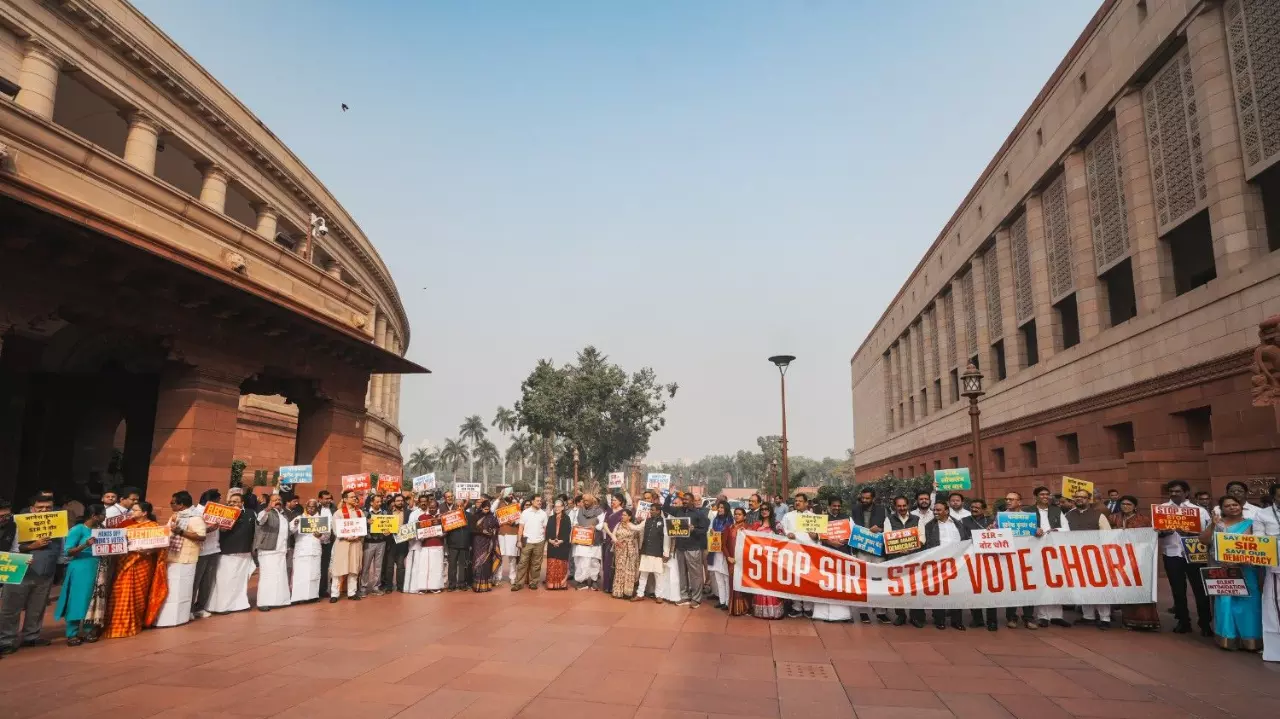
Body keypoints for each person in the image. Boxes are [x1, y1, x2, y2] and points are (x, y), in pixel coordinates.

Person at [0, 494, 63, 654]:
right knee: (11, 608)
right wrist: (31, 547)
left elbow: (62, 548)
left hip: (45, 572)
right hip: (18, 569)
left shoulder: (58, 524)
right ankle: (6, 640)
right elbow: (11, 548)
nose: (44, 510)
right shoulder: (16, 522)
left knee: (38, 606)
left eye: (48, 507)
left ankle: (31, 636)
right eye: (40, 507)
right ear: (31, 508)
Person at [1199, 496, 1262, 651]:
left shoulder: (1252, 524)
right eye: (1227, 506)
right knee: (1225, 602)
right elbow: (1203, 541)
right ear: (1222, 509)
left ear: (1240, 506)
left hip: (1246, 568)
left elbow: (1256, 545)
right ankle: (1228, 638)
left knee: (1249, 603)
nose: (1232, 507)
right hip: (1222, 569)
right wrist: (1212, 525)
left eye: (1235, 504)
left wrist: (1239, 559)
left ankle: (1250, 640)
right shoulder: (1217, 524)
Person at [104, 502, 168, 639]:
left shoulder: (153, 527)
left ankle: (135, 623)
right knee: (120, 592)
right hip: (124, 563)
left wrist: (148, 551)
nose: (131, 512)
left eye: (135, 510)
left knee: (138, 594)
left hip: (143, 564)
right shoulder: (125, 524)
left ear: (144, 513)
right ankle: (116, 625)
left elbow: (160, 547)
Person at [1159, 480, 1212, 636]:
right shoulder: (1162, 509)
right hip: (1172, 554)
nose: (1174, 494)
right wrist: (1164, 532)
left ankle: (1205, 623)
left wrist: (1192, 533)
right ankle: (1183, 621)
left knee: (1200, 590)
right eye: (1171, 491)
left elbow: (1207, 532)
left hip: (1194, 553)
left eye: (1177, 491)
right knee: (1178, 590)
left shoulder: (1199, 511)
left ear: (1186, 493)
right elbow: (1156, 532)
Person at [154, 491, 207, 628]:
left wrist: (181, 532)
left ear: (181, 505)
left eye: (172, 503)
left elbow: (201, 536)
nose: (170, 505)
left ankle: (179, 618)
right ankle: (167, 617)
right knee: (170, 589)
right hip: (172, 557)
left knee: (182, 590)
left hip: (186, 559)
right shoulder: (175, 516)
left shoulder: (195, 518)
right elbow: (167, 531)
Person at [55, 503, 105, 645]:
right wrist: (85, 545)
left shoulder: (101, 529)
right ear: (95, 516)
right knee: (77, 599)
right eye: (103, 515)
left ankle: (89, 630)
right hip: (80, 567)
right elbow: (68, 551)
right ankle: (72, 633)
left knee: (92, 600)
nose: (104, 517)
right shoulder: (78, 530)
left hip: (97, 567)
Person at [1109, 495, 1160, 631]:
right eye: (1123, 504)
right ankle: (1128, 620)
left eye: (1129, 504)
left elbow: (1150, 537)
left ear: (1135, 506)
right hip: (1121, 558)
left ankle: (1146, 621)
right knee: (1127, 587)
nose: (1125, 506)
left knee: (1141, 587)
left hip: (1140, 558)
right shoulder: (1114, 518)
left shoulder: (1144, 520)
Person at [1064, 488, 1113, 628]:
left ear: (1089, 499)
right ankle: (1088, 616)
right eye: (1077, 497)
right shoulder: (1068, 515)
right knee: (1083, 586)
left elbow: (1107, 535)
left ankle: (1105, 618)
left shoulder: (1099, 515)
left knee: (1101, 587)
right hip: (1076, 557)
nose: (1080, 499)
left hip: (1096, 556)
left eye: (1083, 497)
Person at [923, 501, 969, 630]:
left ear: (947, 511)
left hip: (957, 563)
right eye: (935, 510)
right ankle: (939, 620)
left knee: (956, 592)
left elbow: (965, 540)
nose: (935, 512)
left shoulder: (958, 524)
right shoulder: (929, 526)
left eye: (939, 510)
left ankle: (957, 621)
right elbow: (926, 546)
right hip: (938, 563)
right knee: (939, 593)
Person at [1028, 486, 1070, 628]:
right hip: (1036, 550)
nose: (1045, 496)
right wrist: (1033, 530)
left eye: (1047, 494)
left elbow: (1066, 528)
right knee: (1041, 581)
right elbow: (1022, 528)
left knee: (1057, 581)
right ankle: (1043, 616)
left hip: (1054, 550)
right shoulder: (1028, 511)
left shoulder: (1057, 510)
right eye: (1042, 494)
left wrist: (1056, 530)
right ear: (1036, 496)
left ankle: (1057, 615)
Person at [207, 493, 254, 614]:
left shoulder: (250, 513)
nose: (232, 504)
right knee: (224, 580)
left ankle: (239, 604)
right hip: (227, 552)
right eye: (230, 502)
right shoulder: (223, 513)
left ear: (242, 503)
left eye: (235, 501)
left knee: (240, 581)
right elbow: (219, 530)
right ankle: (221, 606)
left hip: (244, 552)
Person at [848, 488, 889, 624]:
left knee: (880, 581)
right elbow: (850, 527)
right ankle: (864, 612)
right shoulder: (855, 510)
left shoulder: (882, 510)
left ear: (873, 498)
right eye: (863, 498)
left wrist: (880, 529)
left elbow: (889, 528)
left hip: (878, 551)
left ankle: (881, 612)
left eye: (867, 498)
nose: (864, 500)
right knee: (863, 582)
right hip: (861, 551)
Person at [813, 496, 854, 622]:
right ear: (829, 506)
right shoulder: (822, 519)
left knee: (842, 584)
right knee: (825, 583)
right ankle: (823, 614)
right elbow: (819, 536)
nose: (837, 508)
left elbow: (853, 534)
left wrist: (845, 540)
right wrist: (830, 542)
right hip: (827, 555)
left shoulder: (847, 519)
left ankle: (844, 615)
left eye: (839, 506)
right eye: (834, 506)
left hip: (842, 554)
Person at [664, 493, 709, 607]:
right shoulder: (678, 511)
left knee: (695, 575)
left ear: (693, 501)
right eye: (683, 499)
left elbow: (704, 530)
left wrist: (694, 530)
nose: (684, 501)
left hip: (693, 548)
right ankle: (684, 596)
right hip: (680, 548)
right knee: (682, 574)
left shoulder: (699, 514)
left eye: (687, 500)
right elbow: (665, 508)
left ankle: (696, 598)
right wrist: (668, 495)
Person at [885, 496, 923, 627]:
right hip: (896, 559)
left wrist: (911, 547)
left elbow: (922, 538)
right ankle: (900, 615)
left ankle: (915, 617)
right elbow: (887, 538)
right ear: (895, 507)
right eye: (899, 506)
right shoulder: (889, 519)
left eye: (904, 506)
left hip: (913, 558)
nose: (902, 508)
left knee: (914, 588)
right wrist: (900, 549)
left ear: (908, 505)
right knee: (898, 588)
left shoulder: (917, 519)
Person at [961, 499, 999, 630]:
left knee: (991, 591)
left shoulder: (992, 521)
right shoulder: (964, 521)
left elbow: (1000, 537)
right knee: (973, 590)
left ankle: (992, 621)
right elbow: (963, 538)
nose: (974, 509)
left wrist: (993, 530)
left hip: (990, 560)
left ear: (983, 509)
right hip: (972, 560)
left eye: (977, 507)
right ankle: (977, 619)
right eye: (972, 507)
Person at [254, 493, 290, 611]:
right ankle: (263, 602)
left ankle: (279, 600)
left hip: (280, 550)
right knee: (267, 577)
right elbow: (260, 520)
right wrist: (267, 510)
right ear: (269, 502)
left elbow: (286, 532)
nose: (278, 501)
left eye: (279, 499)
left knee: (279, 576)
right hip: (268, 550)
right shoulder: (265, 512)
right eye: (274, 500)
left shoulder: (283, 515)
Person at [749, 503, 786, 619]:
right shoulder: (756, 525)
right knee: (760, 585)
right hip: (760, 561)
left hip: (773, 560)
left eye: (766, 509)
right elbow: (749, 540)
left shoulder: (777, 525)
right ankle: (760, 611)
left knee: (772, 585)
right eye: (762, 509)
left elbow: (783, 542)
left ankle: (773, 612)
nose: (764, 511)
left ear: (771, 511)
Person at [1257, 484, 1280, 662]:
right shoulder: (1262, 514)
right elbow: (1259, 541)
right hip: (1275, 569)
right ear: (1273, 497)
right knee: (1275, 607)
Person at [289, 499, 328, 603]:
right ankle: (298, 597)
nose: (311, 509)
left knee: (314, 574)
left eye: (313, 507)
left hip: (315, 551)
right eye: (309, 507)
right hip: (301, 551)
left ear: (316, 508)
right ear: (306, 507)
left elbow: (326, 538)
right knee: (299, 574)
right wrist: (296, 523)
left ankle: (312, 596)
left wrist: (320, 536)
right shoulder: (300, 518)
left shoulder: (321, 520)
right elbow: (290, 530)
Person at [329, 489, 365, 602]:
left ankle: (352, 592)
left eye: (355, 497)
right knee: (339, 569)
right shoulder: (338, 513)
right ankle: (334, 594)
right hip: (342, 543)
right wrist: (346, 536)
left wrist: (358, 536)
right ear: (345, 499)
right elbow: (336, 530)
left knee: (353, 569)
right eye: (352, 497)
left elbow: (362, 528)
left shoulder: (360, 513)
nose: (355, 498)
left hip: (356, 543)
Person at [191, 489, 222, 619]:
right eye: (218, 501)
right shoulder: (195, 513)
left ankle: (200, 607)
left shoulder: (218, 513)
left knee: (207, 582)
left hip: (214, 549)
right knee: (195, 581)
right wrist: (208, 530)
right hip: (200, 551)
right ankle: (189, 608)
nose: (220, 503)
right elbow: (192, 532)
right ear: (211, 501)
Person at [722, 507, 752, 616]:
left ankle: (747, 608)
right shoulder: (729, 528)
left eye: (739, 514)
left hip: (745, 561)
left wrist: (747, 533)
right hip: (732, 561)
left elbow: (753, 544)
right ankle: (736, 609)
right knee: (733, 583)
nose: (737, 516)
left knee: (745, 584)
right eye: (735, 514)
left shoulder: (749, 528)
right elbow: (723, 545)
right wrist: (728, 557)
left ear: (745, 516)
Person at [513, 496, 547, 591]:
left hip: (539, 542)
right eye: (537, 501)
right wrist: (519, 540)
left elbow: (545, 529)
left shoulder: (543, 514)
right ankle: (518, 583)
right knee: (522, 563)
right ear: (532, 501)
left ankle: (533, 582)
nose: (539, 502)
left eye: (540, 501)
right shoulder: (525, 512)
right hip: (527, 541)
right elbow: (521, 528)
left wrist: (544, 541)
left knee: (536, 564)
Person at [573, 494, 606, 590]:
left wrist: (594, 527)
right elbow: (575, 522)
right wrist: (577, 527)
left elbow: (602, 524)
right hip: (581, 540)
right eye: (584, 501)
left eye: (587, 501)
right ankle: (581, 581)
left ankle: (594, 580)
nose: (585, 502)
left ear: (592, 500)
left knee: (594, 561)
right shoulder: (579, 510)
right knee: (580, 561)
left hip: (594, 541)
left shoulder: (599, 511)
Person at [361, 493, 391, 597]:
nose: (379, 503)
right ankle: (363, 587)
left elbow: (388, 526)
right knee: (366, 566)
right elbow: (359, 525)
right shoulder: (364, 513)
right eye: (377, 501)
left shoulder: (385, 513)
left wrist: (388, 531)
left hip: (381, 542)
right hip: (368, 543)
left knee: (378, 566)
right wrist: (366, 522)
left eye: (380, 501)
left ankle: (376, 587)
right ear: (371, 502)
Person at [607, 507, 641, 599]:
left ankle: (627, 593)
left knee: (629, 570)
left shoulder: (632, 525)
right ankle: (618, 592)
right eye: (622, 515)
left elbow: (638, 532)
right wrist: (616, 541)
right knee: (620, 569)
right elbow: (613, 534)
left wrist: (644, 520)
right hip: (619, 549)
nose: (622, 516)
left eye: (625, 515)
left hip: (630, 550)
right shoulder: (618, 524)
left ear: (629, 517)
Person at [470, 500, 500, 592]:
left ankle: (486, 585)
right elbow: (472, 529)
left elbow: (497, 527)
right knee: (478, 563)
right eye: (485, 509)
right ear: (482, 508)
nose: (486, 510)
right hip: (478, 542)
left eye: (488, 509)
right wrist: (482, 531)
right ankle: (477, 585)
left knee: (487, 563)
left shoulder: (492, 517)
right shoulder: (475, 516)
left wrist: (493, 531)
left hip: (488, 542)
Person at [707, 501, 732, 609]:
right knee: (718, 577)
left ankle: (727, 601)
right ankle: (721, 601)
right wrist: (711, 532)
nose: (720, 509)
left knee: (726, 577)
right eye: (719, 508)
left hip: (725, 552)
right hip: (715, 550)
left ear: (726, 509)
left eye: (722, 507)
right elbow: (709, 532)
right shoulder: (715, 519)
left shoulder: (730, 521)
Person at [544, 499, 573, 590]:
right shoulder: (551, 518)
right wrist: (550, 540)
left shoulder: (567, 518)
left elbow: (568, 531)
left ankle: (562, 584)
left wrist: (561, 541)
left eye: (559, 506)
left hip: (563, 545)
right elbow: (547, 531)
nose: (557, 508)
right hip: (552, 544)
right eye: (555, 506)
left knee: (561, 565)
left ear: (563, 507)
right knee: (552, 564)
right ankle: (551, 585)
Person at [602, 494, 626, 594]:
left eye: (615, 500)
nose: (613, 502)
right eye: (612, 500)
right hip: (609, 539)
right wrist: (611, 535)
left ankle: (616, 587)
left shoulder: (623, 513)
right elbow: (605, 524)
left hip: (620, 541)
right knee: (607, 563)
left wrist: (616, 537)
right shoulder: (609, 511)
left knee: (617, 564)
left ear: (620, 501)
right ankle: (607, 586)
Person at [496, 495, 521, 586]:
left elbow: (520, 519)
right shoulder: (499, 504)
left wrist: (515, 522)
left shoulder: (515, 505)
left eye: (511, 494)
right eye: (508, 494)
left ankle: (512, 577)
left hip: (513, 533)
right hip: (501, 534)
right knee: (500, 556)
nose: (509, 496)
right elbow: (491, 510)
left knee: (512, 557)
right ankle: (498, 577)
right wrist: (498, 498)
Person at [316, 489, 336, 597]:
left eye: (330, 498)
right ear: (320, 499)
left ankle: (323, 590)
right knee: (316, 566)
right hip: (316, 542)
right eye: (326, 499)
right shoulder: (314, 509)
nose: (329, 500)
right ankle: (315, 590)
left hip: (329, 542)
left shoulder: (334, 509)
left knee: (325, 567)